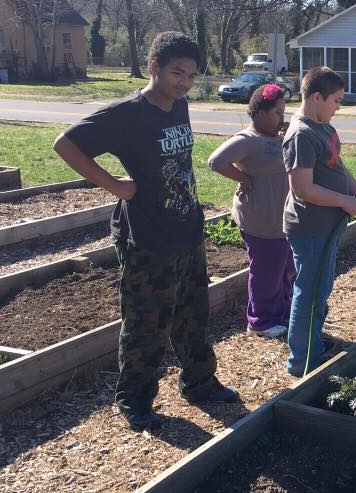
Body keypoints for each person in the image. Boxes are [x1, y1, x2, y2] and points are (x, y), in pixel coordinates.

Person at [52, 31, 238, 431]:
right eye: (177, 73)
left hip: (187, 229)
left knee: (193, 313)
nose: (185, 82)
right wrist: (116, 186)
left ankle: (199, 383)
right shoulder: (126, 113)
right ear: (154, 67)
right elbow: (65, 144)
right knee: (146, 323)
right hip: (148, 238)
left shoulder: (179, 105)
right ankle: (134, 401)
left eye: (191, 75)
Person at [283, 66, 356, 377]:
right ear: (317, 96)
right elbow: (302, 189)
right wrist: (344, 201)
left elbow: (340, 171)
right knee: (310, 292)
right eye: (336, 101)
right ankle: (301, 361)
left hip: (326, 227)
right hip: (310, 229)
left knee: (319, 289)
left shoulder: (324, 128)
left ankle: (313, 346)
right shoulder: (300, 135)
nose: (338, 108)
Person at [207, 84, 294, 339]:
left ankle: (279, 310)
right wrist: (243, 178)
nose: (282, 117)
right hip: (261, 219)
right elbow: (215, 161)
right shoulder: (248, 140)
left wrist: (285, 134)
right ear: (260, 112)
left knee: (283, 267)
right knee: (266, 271)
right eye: (278, 112)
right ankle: (260, 321)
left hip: (280, 219)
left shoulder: (275, 136)